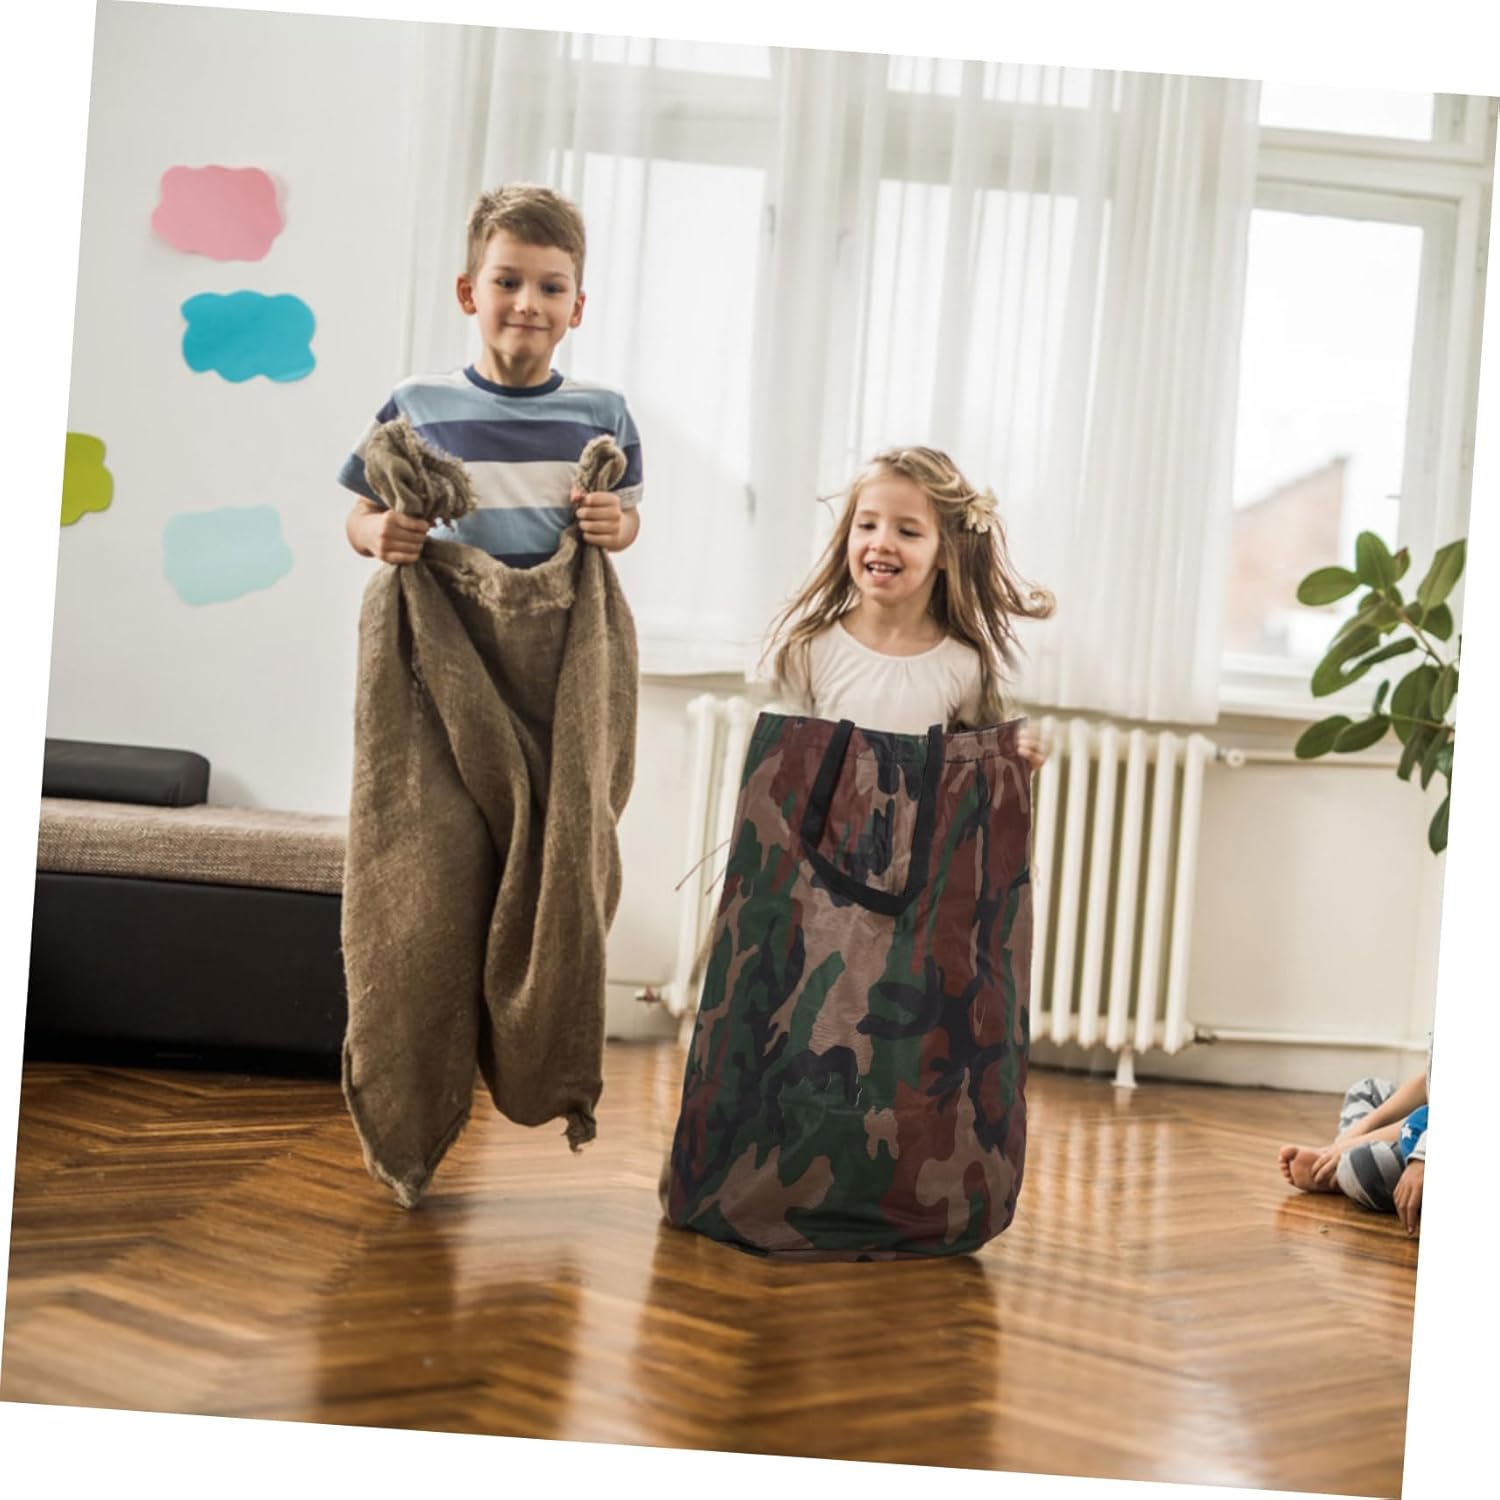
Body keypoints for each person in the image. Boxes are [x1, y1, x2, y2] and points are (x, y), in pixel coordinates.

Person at [338, 183, 642, 567]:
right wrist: (374, 532)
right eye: (507, 283)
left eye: (551, 288)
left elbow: (628, 515)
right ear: (468, 293)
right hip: (444, 606)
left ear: (576, 309)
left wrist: (617, 526)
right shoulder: (414, 404)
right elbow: (361, 514)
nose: (528, 304)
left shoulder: (605, 412)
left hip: (557, 607)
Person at [763, 445, 1053, 767]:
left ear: (945, 552)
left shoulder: (965, 665)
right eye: (867, 525)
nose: (881, 543)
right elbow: (781, 772)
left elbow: (976, 781)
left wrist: (1016, 763)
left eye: (908, 531)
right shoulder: (810, 649)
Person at [1278, 1047, 1430, 1236]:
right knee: (1367, 1090)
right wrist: (1349, 1138)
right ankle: (1337, 1167)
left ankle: (1340, 1173)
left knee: (1364, 1165)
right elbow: (1427, 1082)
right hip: (1419, 1123)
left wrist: (1350, 1145)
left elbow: (1417, 1124)